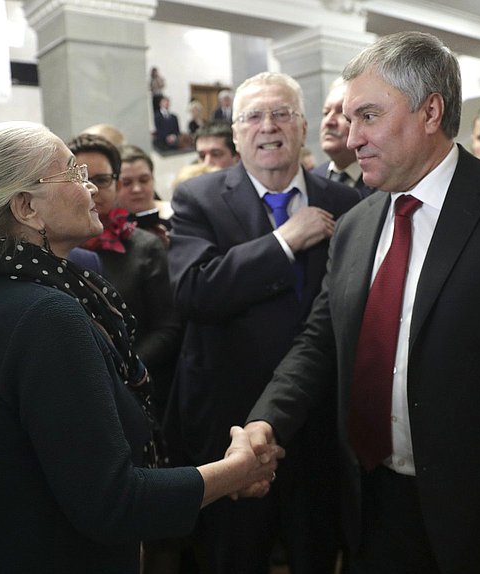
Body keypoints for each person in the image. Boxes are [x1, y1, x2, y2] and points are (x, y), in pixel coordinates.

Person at [245, 31, 480, 574]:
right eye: (347, 117)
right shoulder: (357, 223)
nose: (351, 135)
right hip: (370, 507)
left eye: (368, 115)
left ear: (430, 110)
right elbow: (320, 342)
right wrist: (265, 421)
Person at [0, 121, 281, 573]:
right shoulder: (46, 316)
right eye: (72, 172)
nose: (90, 184)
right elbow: (113, 502)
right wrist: (238, 470)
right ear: (27, 207)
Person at [167, 71, 360, 574]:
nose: (267, 126)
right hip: (231, 426)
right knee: (235, 557)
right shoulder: (199, 199)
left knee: (318, 551)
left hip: (320, 421)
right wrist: (284, 241)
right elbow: (194, 291)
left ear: (302, 127)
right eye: (252, 116)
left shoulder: (347, 203)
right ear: (234, 134)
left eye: (281, 114)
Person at [66, 133, 182, 421]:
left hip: (136, 389)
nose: (92, 188)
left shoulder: (144, 246)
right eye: (81, 179)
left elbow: (167, 327)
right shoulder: (56, 247)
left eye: (102, 180)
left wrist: (123, 368)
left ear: (116, 184)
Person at [311, 77, 374, 198]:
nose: (329, 121)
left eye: (341, 112)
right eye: (325, 112)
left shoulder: (385, 182)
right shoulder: (313, 180)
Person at [118, 144, 172, 247]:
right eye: (126, 183)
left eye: (144, 180)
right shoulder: (107, 231)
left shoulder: (176, 219)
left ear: (153, 179)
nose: (137, 189)